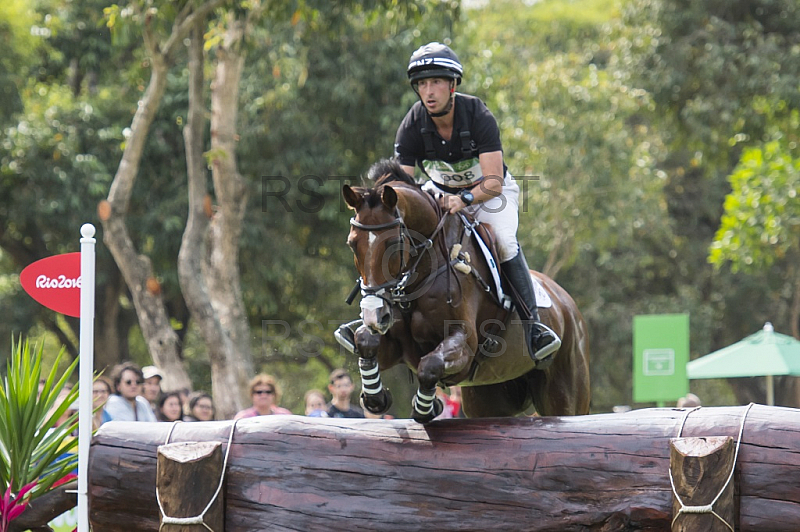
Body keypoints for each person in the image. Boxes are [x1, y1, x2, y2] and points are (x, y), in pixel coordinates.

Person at [336, 42, 560, 364]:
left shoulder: (477, 114)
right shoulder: (413, 123)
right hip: (437, 196)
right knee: (388, 238)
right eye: (422, 84)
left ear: (452, 85)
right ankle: (371, 312)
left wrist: (465, 198)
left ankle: (533, 327)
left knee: (505, 241)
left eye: (436, 82)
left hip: (488, 195)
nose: (428, 91)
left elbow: (493, 180)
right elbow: (400, 185)